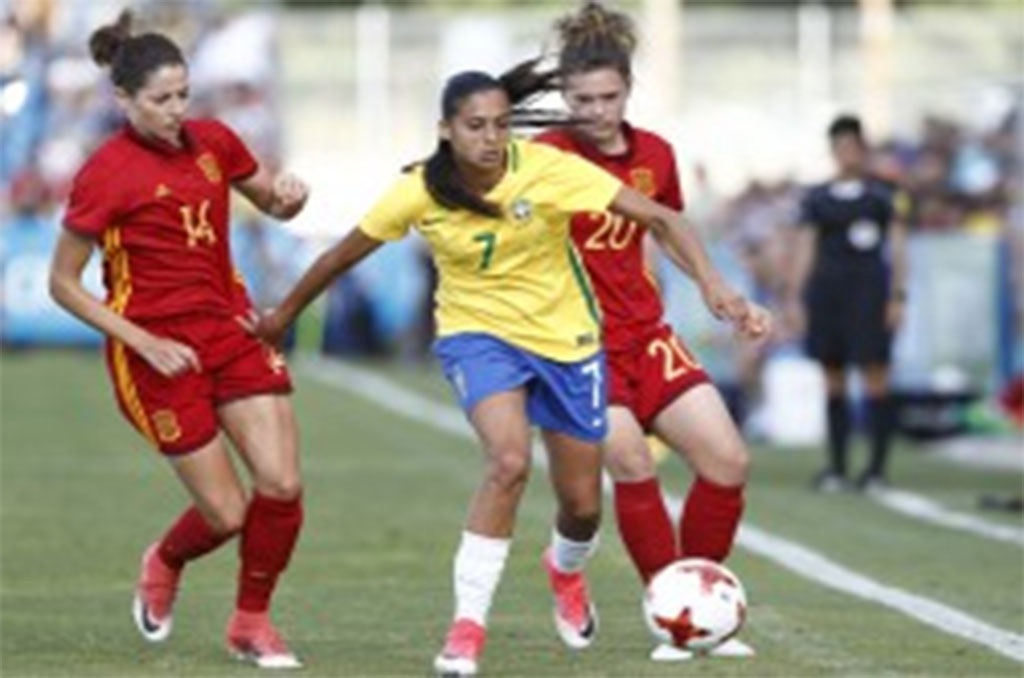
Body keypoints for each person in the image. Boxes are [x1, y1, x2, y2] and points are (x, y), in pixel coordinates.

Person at [253, 63, 754, 676]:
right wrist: (282, 314)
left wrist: (714, 287)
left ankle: (564, 570)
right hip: (478, 339)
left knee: (582, 505)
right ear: (445, 130)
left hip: (568, 342)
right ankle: (466, 629)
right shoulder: (417, 188)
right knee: (509, 461)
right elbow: (339, 255)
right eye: (475, 127)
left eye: (499, 126)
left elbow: (663, 218)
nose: (490, 139)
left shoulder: (547, 170)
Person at [48, 12, 308, 668]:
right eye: (160, 100)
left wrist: (291, 196)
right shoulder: (105, 173)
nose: (176, 111)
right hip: (156, 353)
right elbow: (64, 284)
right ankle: (164, 560)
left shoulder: (216, 141)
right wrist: (143, 342)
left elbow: (273, 202)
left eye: (183, 95)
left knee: (280, 485)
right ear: (124, 101)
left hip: (230, 330)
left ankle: (251, 624)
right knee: (225, 515)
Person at [533, 2, 768, 661]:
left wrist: (718, 290)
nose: (596, 111)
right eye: (581, 98)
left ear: (628, 91)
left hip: (646, 335)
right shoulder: (545, 156)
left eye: (608, 96)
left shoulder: (656, 154)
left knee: (728, 461)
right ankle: (674, 616)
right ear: (562, 97)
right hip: (578, 349)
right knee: (632, 463)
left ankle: (698, 606)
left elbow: (666, 228)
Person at [786, 114, 908, 493]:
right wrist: (795, 297)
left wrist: (898, 296)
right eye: (840, 148)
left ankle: (876, 470)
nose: (847, 155)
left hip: (870, 296)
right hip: (828, 297)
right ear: (833, 151)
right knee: (833, 380)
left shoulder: (883, 196)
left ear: (863, 149)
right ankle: (836, 469)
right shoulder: (817, 199)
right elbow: (805, 248)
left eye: (853, 147)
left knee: (876, 379)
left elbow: (899, 249)